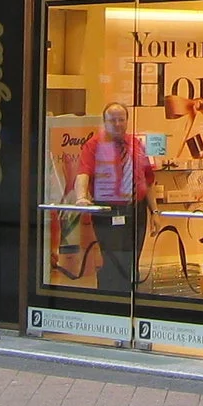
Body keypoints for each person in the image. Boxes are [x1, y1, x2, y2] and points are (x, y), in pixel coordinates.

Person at [71, 102, 157, 296]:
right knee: (112, 261)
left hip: (136, 211)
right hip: (108, 211)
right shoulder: (94, 145)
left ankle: (131, 300)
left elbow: (148, 180)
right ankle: (110, 303)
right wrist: (81, 197)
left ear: (127, 121)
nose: (117, 124)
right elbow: (83, 174)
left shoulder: (136, 144)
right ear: (104, 122)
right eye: (113, 120)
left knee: (132, 260)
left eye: (121, 119)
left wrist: (155, 212)